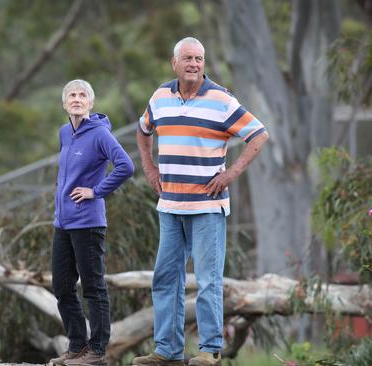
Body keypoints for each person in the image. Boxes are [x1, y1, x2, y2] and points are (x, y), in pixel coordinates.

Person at [132, 37, 269, 366]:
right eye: (188, 58)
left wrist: (230, 174)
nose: (194, 64)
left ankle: (210, 349)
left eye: (199, 58)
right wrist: (150, 169)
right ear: (174, 63)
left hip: (207, 207)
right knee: (166, 278)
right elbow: (142, 131)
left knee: (208, 280)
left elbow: (259, 135)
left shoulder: (221, 99)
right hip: (169, 207)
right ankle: (167, 350)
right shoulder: (160, 97)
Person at [49, 79, 134, 366]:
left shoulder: (100, 134)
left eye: (82, 95)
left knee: (93, 287)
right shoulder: (64, 133)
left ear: (91, 103)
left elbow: (125, 166)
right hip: (63, 223)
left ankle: (97, 351)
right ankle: (77, 346)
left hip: (88, 223)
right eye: (71, 95)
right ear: (64, 103)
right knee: (61, 286)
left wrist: (96, 191)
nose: (76, 98)